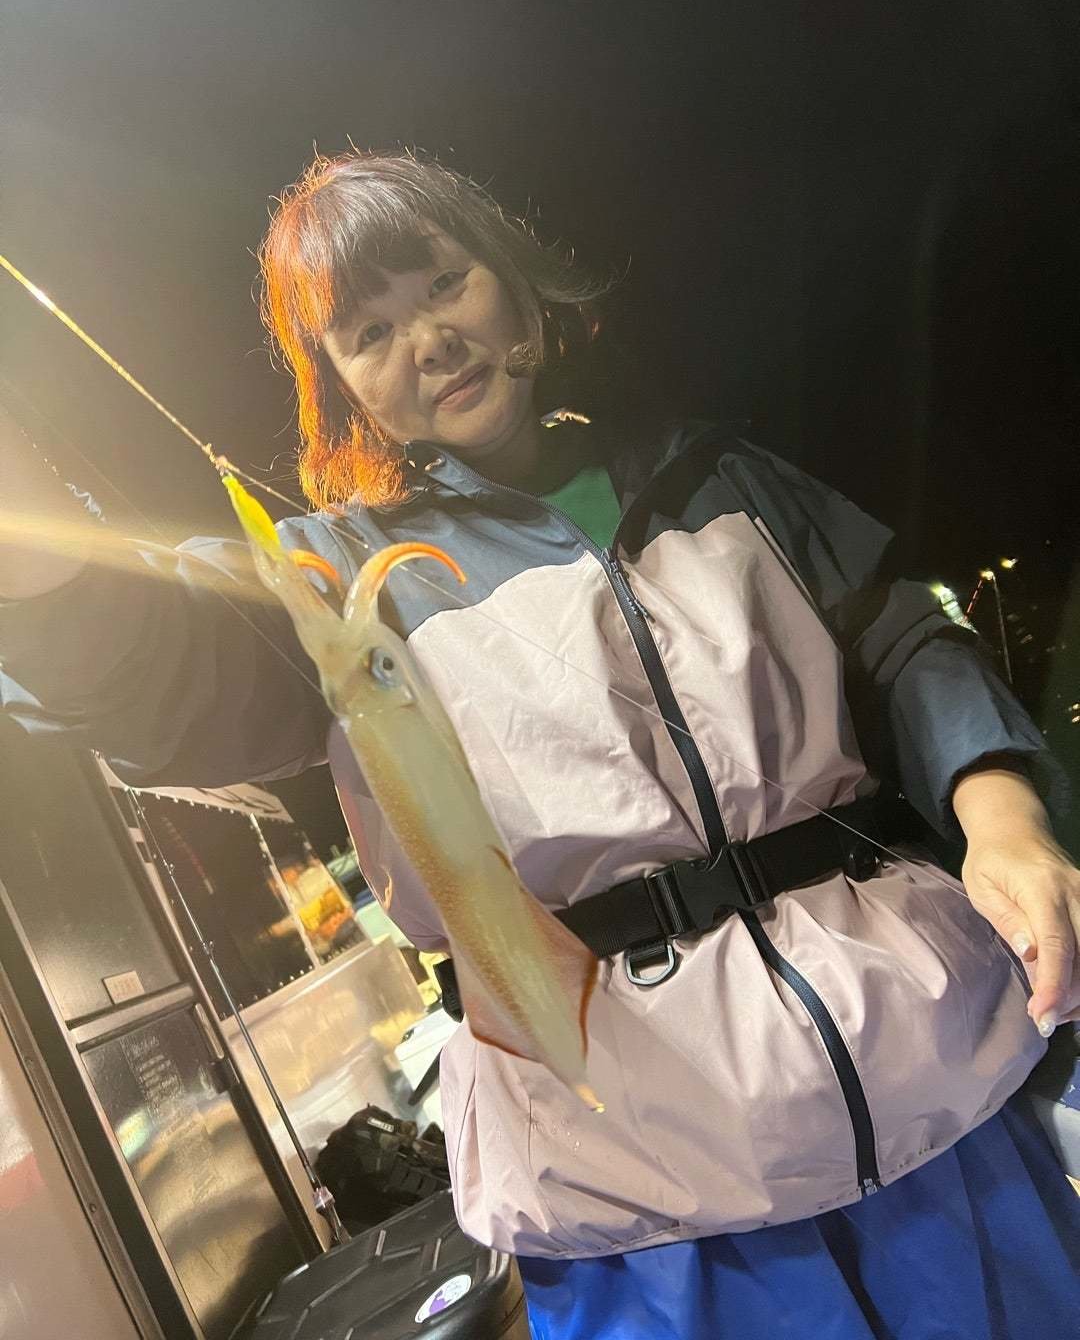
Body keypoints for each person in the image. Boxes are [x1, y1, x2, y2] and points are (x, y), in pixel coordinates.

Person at [1, 150, 1078, 1339]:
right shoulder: (328, 585)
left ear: (518, 292)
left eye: (443, 284)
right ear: (341, 387)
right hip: (647, 1204)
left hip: (939, 1097)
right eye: (368, 332)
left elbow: (905, 641)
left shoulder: (723, 477)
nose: (427, 341)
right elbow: (130, 652)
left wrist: (1005, 821)